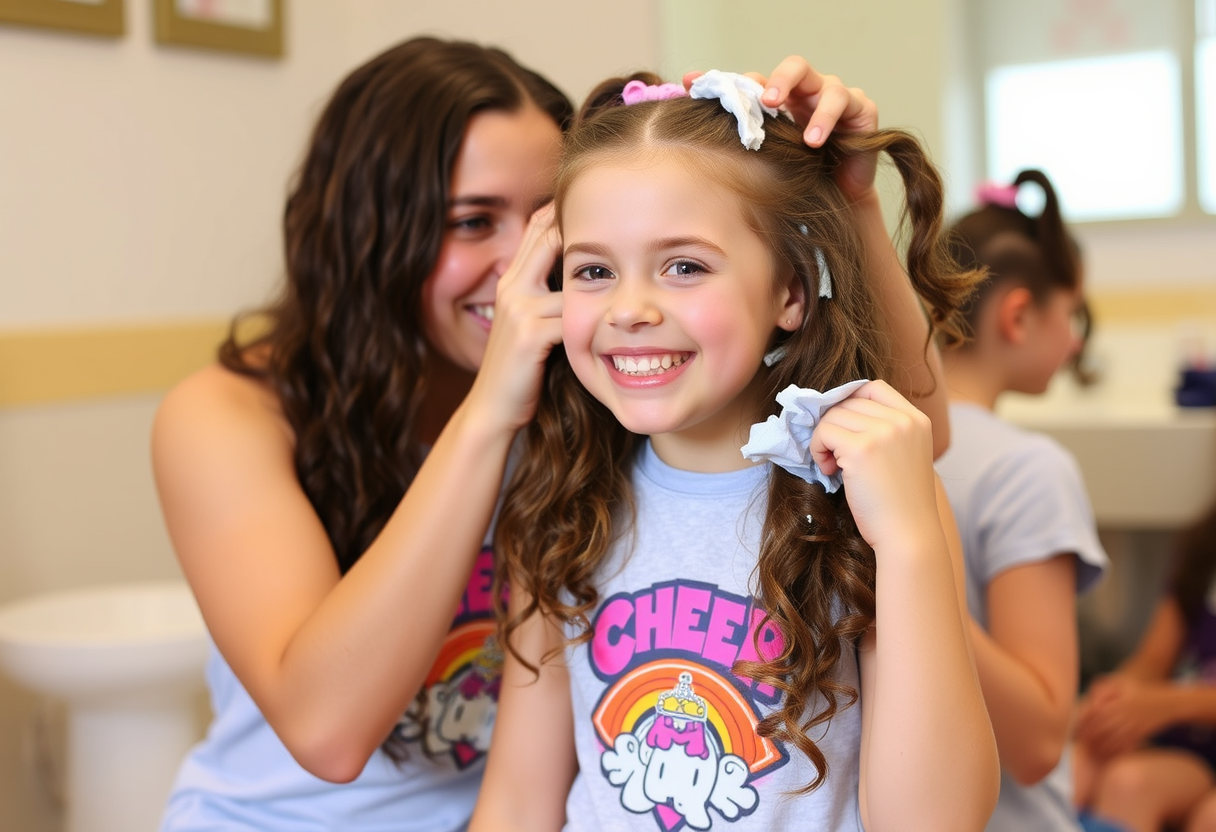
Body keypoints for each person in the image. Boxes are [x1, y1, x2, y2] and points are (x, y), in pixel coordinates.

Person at [150, 36, 955, 831]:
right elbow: (326, 732)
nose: (523, 263)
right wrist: (492, 408)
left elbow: (908, 431)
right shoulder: (230, 415)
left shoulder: (604, 386)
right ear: (371, 234)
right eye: (473, 222)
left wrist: (845, 198)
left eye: (544, 218)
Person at [470, 71, 999, 832]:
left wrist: (911, 542)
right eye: (594, 271)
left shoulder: (878, 506)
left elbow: (935, 822)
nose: (630, 309)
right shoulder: (559, 500)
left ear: (789, 292)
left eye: (684, 266)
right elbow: (518, 802)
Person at [934, 169, 1111, 832]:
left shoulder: (853, 438)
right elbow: (1038, 745)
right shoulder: (1029, 470)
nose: (1074, 342)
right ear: (1017, 315)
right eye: (1072, 314)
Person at [1073, 501, 1216, 832]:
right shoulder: (1203, 547)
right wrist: (1121, 691)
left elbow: (1165, 699)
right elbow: (1152, 660)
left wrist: (1167, 704)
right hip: (1185, 749)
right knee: (1081, 767)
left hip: (1193, 738)